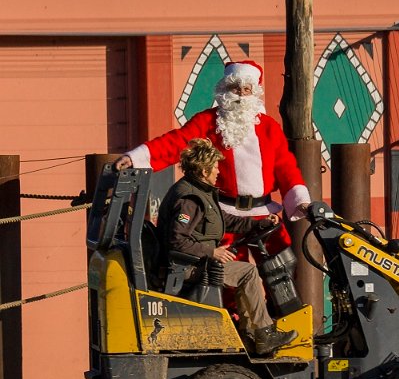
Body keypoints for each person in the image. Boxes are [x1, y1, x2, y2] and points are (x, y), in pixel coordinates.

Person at [115, 59, 310, 258]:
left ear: (254, 92)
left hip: (262, 212)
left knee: (282, 269)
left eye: (246, 89)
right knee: (227, 278)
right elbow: (176, 142)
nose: (240, 95)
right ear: (225, 89)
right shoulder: (207, 122)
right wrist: (136, 158)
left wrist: (300, 201)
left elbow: (286, 168)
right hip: (223, 215)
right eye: (235, 88)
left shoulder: (270, 127)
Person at [158, 138, 297, 356]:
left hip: (196, 262)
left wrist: (260, 222)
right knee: (248, 272)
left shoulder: (201, 192)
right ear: (203, 170)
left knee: (243, 273)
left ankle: (249, 333)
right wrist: (211, 252)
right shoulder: (190, 199)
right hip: (188, 266)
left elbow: (227, 220)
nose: (218, 172)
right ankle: (264, 332)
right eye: (214, 167)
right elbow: (177, 240)